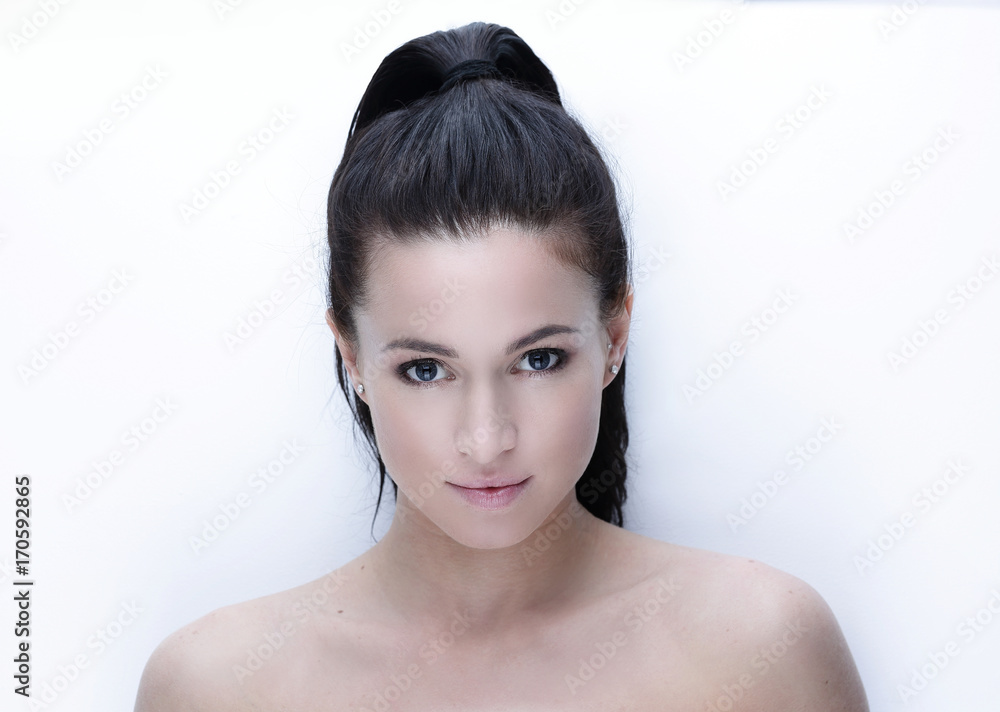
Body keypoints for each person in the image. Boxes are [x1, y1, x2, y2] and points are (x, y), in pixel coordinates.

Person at [134, 21, 869, 710]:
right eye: (426, 370)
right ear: (351, 356)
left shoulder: (761, 651)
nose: (486, 440)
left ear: (615, 336)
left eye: (538, 359)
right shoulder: (217, 686)